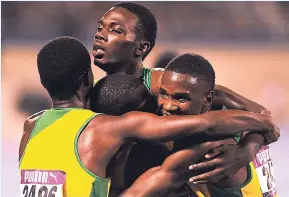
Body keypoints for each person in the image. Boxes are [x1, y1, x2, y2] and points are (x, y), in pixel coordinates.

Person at [19, 37, 278, 197]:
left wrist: (255, 137)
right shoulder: (102, 130)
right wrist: (261, 125)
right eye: (162, 96)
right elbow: (205, 125)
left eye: (178, 98)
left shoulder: (30, 129)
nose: (166, 107)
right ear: (88, 77)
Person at [92, 2, 272, 182]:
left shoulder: (164, 84)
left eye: (115, 30)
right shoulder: (93, 93)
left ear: (142, 48)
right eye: (100, 27)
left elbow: (264, 119)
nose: (100, 35)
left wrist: (245, 152)